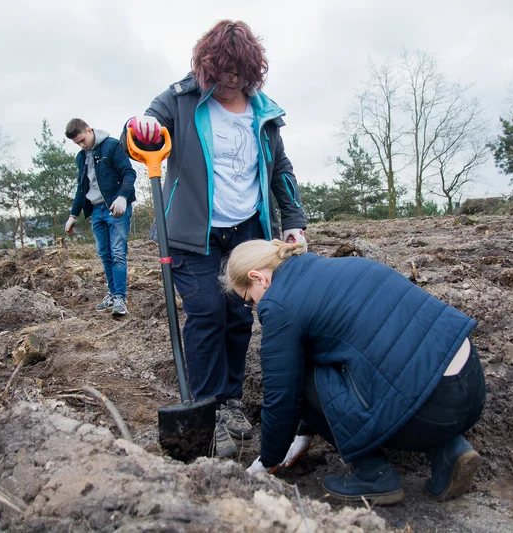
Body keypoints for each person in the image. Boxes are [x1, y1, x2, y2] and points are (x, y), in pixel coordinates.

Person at [122, 20, 307, 457]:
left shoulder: (265, 113)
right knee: (207, 312)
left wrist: (292, 217)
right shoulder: (180, 98)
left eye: (239, 73)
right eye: (222, 71)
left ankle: (231, 401)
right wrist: (140, 129)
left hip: (247, 229)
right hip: (192, 231)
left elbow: (281, 169)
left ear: (251, 71)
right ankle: (207, 407)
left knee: (240, 315)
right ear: (208, 66)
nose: (230, 80)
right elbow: (143, 131)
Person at [224, 239, 487, 505]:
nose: (254, 307)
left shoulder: (279, 303)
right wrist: (305, 431)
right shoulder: (333, 267)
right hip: (471, 388)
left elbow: (283, 395)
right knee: (397, 363)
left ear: (257, 278)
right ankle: (449, 448)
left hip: (431, 407)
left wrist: (268, 460)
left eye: (249, 300)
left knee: (299, 374)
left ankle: (372, 473)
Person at [65, 118, 137, 317]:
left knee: (117, 253)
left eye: (82, 140)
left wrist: (123, 197)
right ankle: (113, 294)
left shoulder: (112, 146)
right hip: (96, 210)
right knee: (104, 254)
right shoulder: (81, 157)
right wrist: (73, 214)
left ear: (89, 130)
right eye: (77, 144)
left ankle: (120, 299)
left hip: (116, 208)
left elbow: (129, 173)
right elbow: (82, 188)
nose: (81, 145)